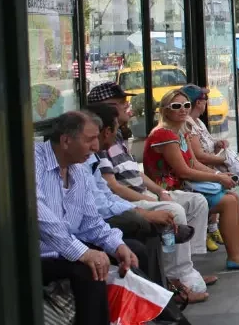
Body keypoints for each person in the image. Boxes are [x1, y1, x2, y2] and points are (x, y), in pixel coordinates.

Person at [34, 111, 139, 325]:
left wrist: (118, 245)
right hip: (33, 255)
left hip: (62, 250)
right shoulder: (33, 161)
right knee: (89, 270)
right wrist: (81, 252)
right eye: (90, 139)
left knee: (130, 253)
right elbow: (40, 217)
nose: (96, 147)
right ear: (66, 140)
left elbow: (92, 222)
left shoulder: (79, 171)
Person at [86, 101, 211, 302]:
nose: (127, 106)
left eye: (186, 104)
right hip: (112, 210)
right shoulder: (93, 154)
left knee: (196, 202)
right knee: (155, 224)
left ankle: (184, 273)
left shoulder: (101, 150)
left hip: (124, 203)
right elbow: (109, 194)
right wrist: (144, 210)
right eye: (177, 105)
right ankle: (171, 282)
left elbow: (106, 195)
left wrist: (158, 193)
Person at [143, 88, 239, 270]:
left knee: (234, 197)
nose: (183, 109)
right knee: (228, 202)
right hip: (170, 191)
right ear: (165, 110)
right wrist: (218, 179)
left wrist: (219, 175)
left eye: (186, 105)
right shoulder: (164, 134)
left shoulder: (181, 131)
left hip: (184, 186)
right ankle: (235, 255)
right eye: (176, 106)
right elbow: (184, 171)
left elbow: (192, 163)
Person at [180, 84, 239, 249]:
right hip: (200, 174)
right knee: (235, 186)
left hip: (207, 170)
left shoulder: (196, 123)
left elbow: (199, 155)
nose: (207, 103)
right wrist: (221, 167)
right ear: (198, 102)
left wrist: (218, 146)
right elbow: (196, 159)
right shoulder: (186, 126)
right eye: (205, 99)